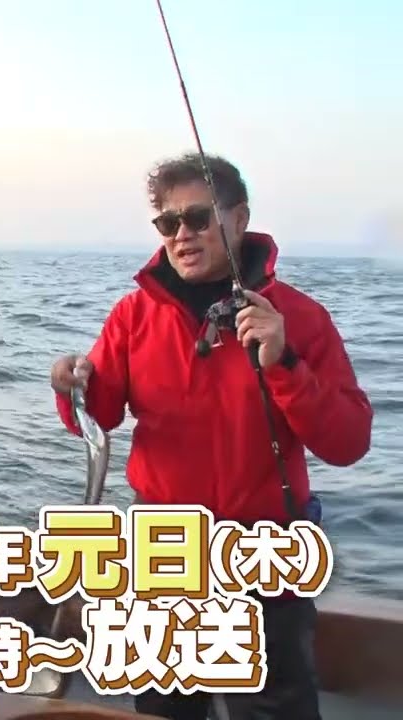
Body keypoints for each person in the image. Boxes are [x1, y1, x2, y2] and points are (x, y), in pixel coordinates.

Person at [49, 152, 373, 720]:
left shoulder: (300, 317)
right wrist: (70, 386)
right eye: (168, 223)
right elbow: (96, 417)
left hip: (266, 552)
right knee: (163, 707)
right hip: (164, 550)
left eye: (198, 218)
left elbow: (348, 443)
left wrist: (284, 363)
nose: (182, 235)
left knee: (276, 709)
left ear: (238, 218)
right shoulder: (132, 316)